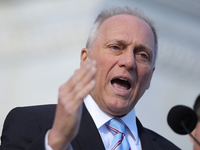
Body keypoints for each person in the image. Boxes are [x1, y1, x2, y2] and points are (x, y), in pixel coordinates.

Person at [0, 6, 180, 150]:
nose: (129, 62)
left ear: (150, 76)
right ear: (86, 60)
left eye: (142, 55)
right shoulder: (34, 123)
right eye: (116, 47)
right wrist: (57, 141)